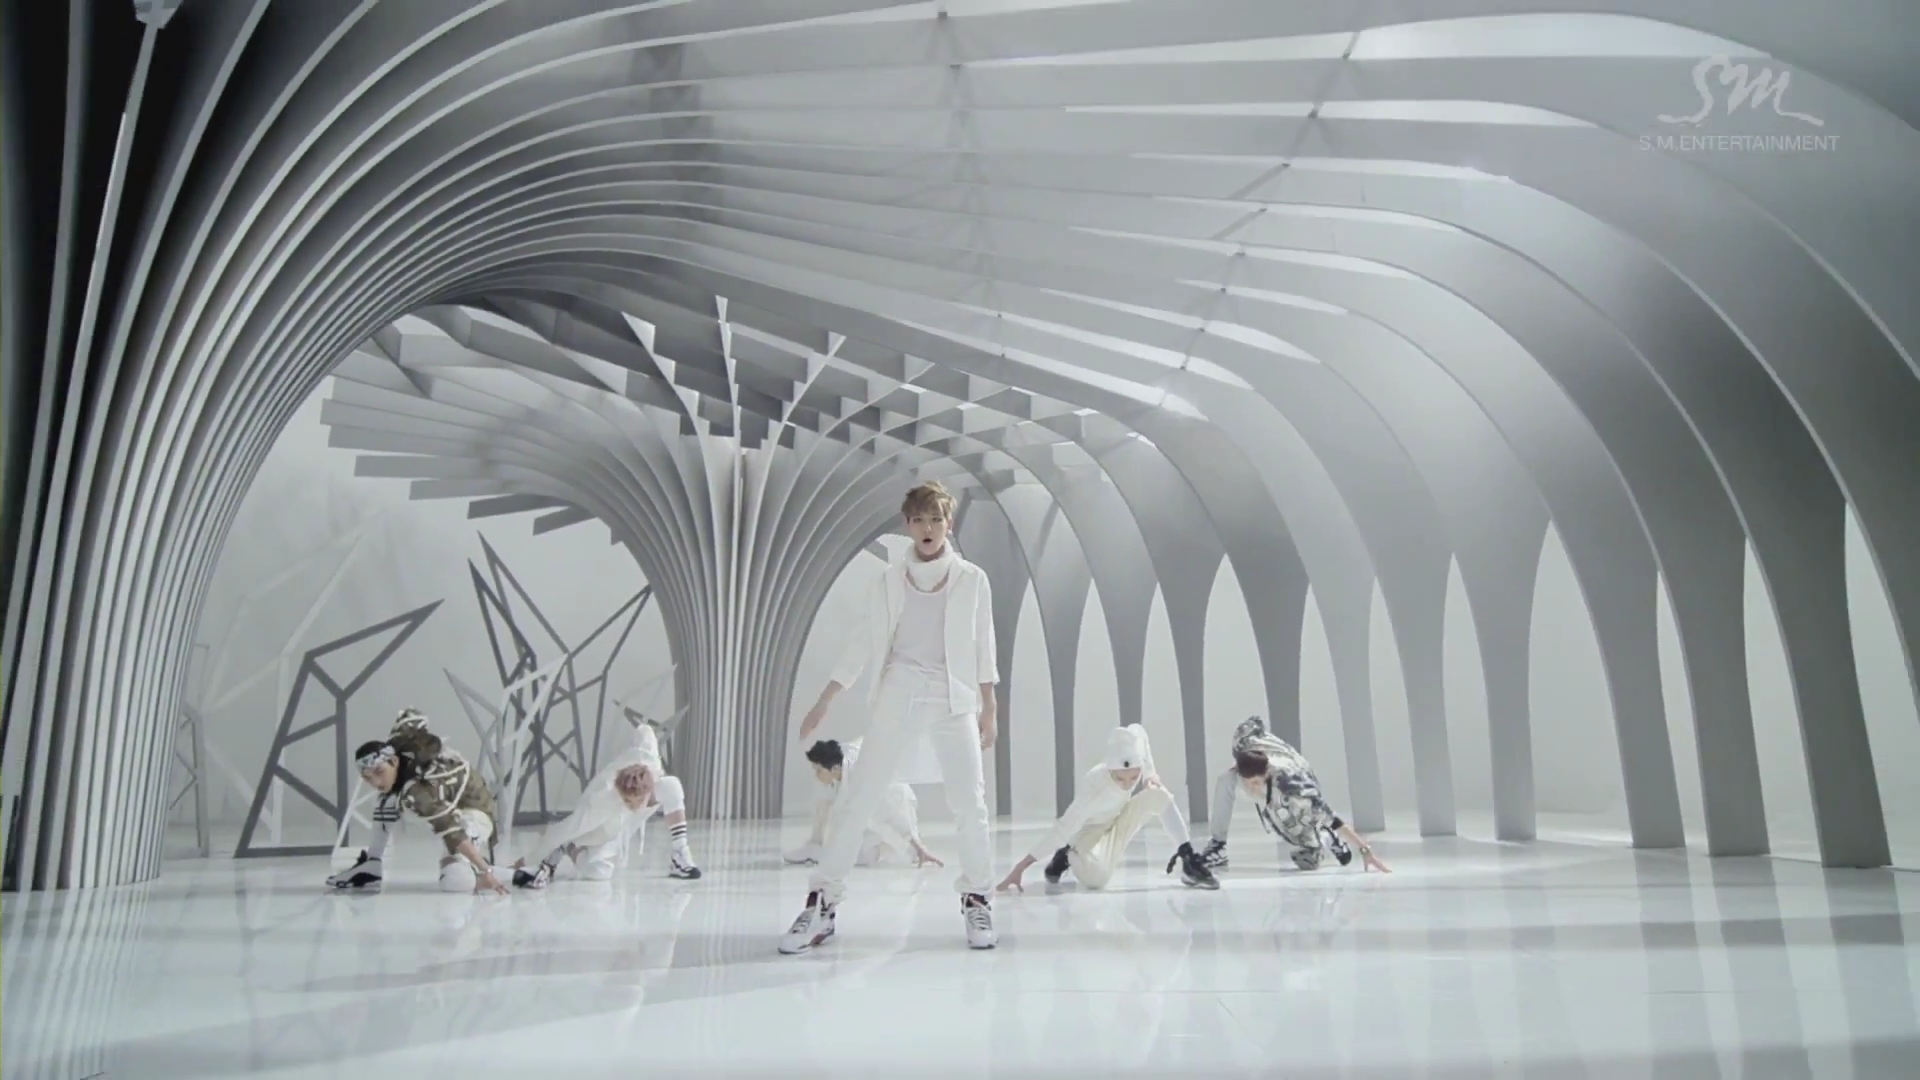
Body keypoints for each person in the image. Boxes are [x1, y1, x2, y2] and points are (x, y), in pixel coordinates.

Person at [779, 480, 1002, 954]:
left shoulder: (973, 579)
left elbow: (984, 644)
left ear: (949, 524)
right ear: (907, 525)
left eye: (936, 519)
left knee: (970, 802)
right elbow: (862, 641)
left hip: (953, 695)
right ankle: (823, 903)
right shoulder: (886, 580)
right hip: (898, 689)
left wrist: (990, 707)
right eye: (919, 520)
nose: (928, 528)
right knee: (859, 797)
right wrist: (827, 697)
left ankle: (978, 897)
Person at [995, 724, 1219, 893]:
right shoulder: (1094, 787)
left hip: (1119, 819)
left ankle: (1189, 860)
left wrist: (1149, 774)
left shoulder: (1134, 747)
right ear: (1111, 769)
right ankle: (1066, 855)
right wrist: (1020, 867)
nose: (1128, 784)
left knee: (1159, 795)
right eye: (1120, 779)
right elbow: (1062, 828)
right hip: (1090, 833)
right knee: (1097, 880)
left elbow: (1140, 732)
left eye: (1134, 778)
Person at [326, 708, 512, 894]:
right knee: (386, 801)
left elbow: (451, 830)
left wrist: (485, 870)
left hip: (474, 810)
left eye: (379, 772)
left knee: (456, 879)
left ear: (394, 762)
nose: (375, 782)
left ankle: (514, 874)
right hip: (450, 807)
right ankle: (372, 863)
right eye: (368, 778)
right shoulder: (400, 767)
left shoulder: (415, 790)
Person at [511, 722, 701, 885]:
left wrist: (643, 733)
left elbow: (644, 731)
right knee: (599, 873)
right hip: (607, 826)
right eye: (632, 800)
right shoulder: (601, 802)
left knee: (672, 785)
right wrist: (524, 861)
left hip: (627, 815)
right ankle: (568, 848)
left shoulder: (649, 761)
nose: (639, 803)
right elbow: (560, 830)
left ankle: (680, 853)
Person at [1201, 716, 1390, 874]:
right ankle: (1218, 845)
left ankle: (1326, 837)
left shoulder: (1295, 788)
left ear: (1266, 774)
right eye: (1246, 783)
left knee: (1306, 860)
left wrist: (1365, 850)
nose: (1250, 790)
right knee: (1225, 780)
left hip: (1293, 786)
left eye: (1255, 784)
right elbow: (1253, 723)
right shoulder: (1242, 750)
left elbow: (1335, 820)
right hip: (1263, 767)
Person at [786, 738, 943, 869]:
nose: (816, 775)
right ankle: (814, 845)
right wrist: (817, 841)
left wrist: (919, 847)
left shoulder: (862, 781)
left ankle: (908, 849)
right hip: (873, 803)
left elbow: (894, 816)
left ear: (834, 768)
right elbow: (824, 805)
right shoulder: (840, 761)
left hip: (893, 800)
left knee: (867, 855)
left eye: (818, 770)